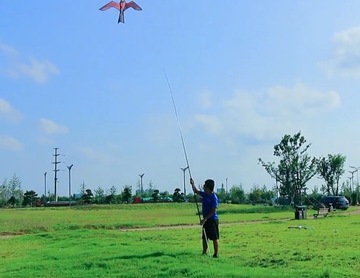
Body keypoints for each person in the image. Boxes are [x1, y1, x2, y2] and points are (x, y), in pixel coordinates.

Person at [190, 177, 219, 258]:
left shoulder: (214, 198)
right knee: (204, 237)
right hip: (205, 220)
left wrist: (205, 219)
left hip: (213, 220)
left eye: (205, 186)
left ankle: (216, 254)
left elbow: (214, 211)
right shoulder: (205, 194)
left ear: (209, 187)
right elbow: (196, 191)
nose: (203, 187)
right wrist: (192, 184)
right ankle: (204, 252)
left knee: (214, 237)